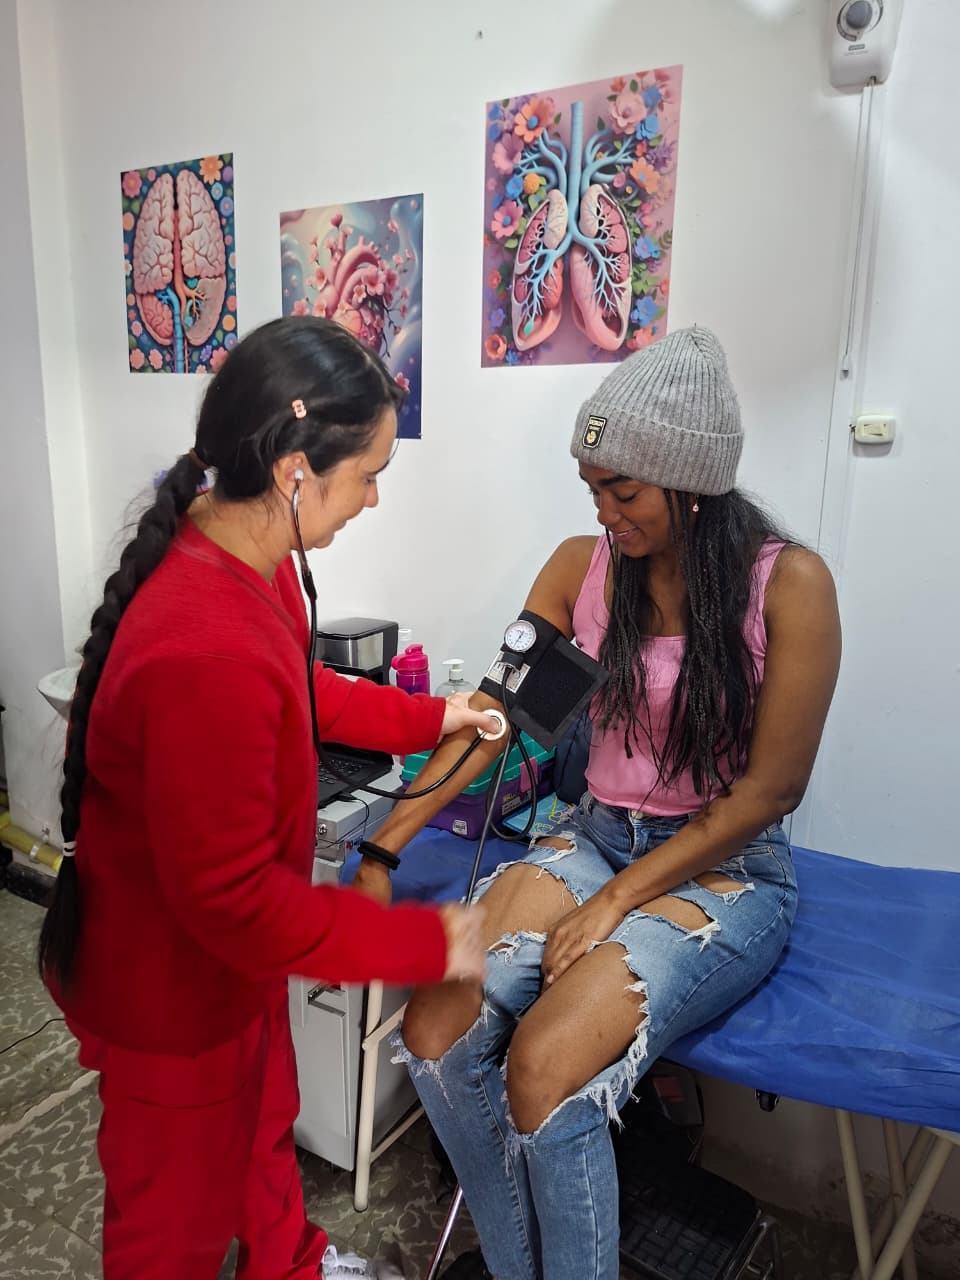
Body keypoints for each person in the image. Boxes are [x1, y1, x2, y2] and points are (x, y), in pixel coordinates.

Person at [354, 327, 842, 1280]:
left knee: (543, 1065)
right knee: (436, 1031)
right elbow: (497, 717)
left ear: (691, 484)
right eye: (592, 490)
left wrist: (614, 900)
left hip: (724, 866)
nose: (604, 513)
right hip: (597, 836)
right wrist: (381, 850)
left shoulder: (788, 586)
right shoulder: (583, 569)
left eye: (623, 492)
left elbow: (770, 791)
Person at [37, 316, 493, 1280]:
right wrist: (425, 944)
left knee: (263, 1132)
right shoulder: (203, 647)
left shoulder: (248, 556)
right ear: (295, 470)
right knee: (171, 1233)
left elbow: (301, 686)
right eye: (367, 474)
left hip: (232, 980)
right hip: (172, 1003)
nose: (372, 499)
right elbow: (236, 902)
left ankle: (291, 1262)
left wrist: (430, 717)